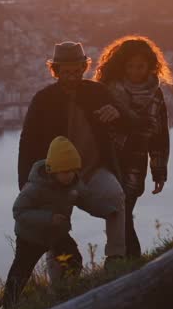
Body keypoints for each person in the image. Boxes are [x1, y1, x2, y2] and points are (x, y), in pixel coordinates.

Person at [18, 41, 131, 268]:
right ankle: (60, 282)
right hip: (56, 178)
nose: (71, 76)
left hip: (93, 170)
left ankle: (116, 257)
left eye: (76, 70)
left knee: (116, 197)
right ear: (56, 71)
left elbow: (130, 122)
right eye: (65, 71)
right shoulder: (43, 99)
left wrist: (117, 113)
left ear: (83, 68)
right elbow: (27, 143)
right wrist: (26, 184)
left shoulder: (98, 92)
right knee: (54, 229)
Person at [2, 136, 117, 308]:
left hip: (57, 234)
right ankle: (7, 308)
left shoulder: (74, 185)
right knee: (20, 273)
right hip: (30, 237)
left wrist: (108, 210)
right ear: (52, 170)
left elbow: (88, 201)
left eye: (72, 170)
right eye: (64, 171)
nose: (69, 175)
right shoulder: (36, 187)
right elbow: (18, 211)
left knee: (74, 261)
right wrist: (49, 218)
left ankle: (63, 293)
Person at [94, 35, 173, 259]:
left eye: (140, 66)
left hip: (136, 165)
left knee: (124, 212)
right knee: (120, 212)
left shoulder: (155, 94)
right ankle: (127, 260)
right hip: (109, 160)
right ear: (121, 66)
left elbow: (159, 135)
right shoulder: (107, 90)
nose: (135, 71)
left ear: (150, 66)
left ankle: (123, 262)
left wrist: (159, 171)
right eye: (129, 66)